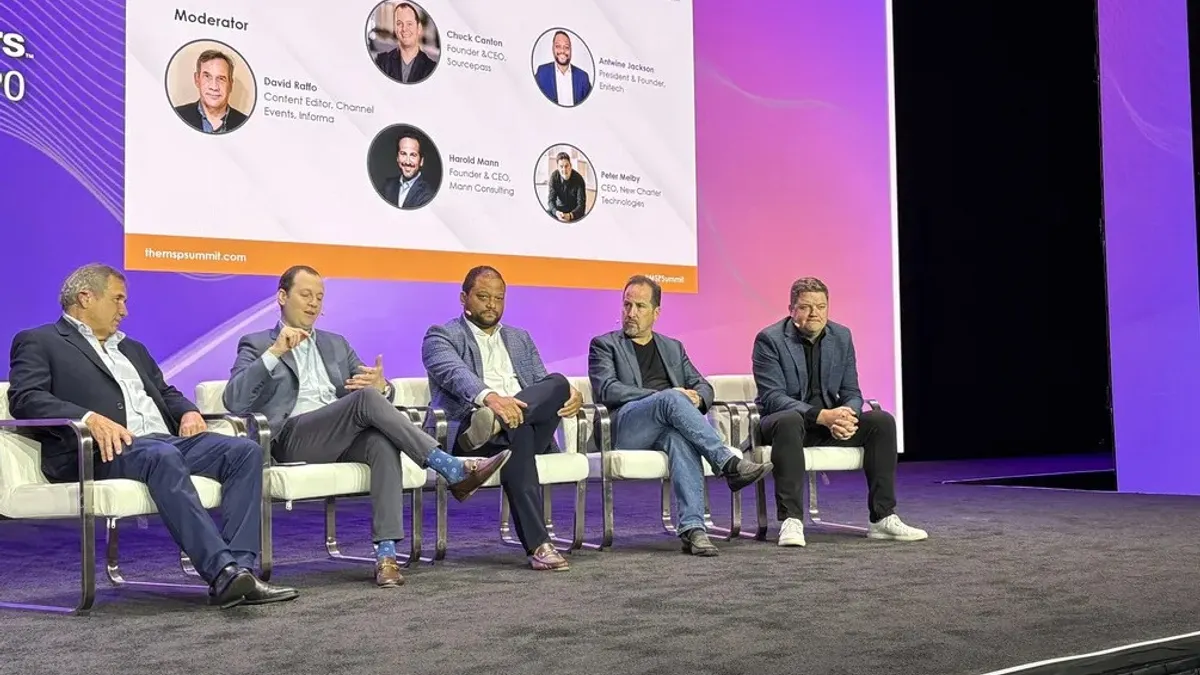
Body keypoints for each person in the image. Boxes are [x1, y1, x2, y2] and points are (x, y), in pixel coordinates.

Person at [6, 263, 296, 608]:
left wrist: (187, 410)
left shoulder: (132, 349)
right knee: (163, 456)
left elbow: (165, 391)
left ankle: (243, 570)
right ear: (85, 297)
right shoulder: (41, 341)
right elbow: (25, 398)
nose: (124, 311)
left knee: (245, 451)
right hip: (98, 451)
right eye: (117, 300)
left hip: (162, 442)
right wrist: (87, 417)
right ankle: (222, 573)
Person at [223, 265, 509, 587]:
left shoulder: (335, 344)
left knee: (380, 441)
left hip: (337, 435)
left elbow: (367, 390)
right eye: (306, 295)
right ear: (281, 296)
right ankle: (450, 467)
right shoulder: (257, 342)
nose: (314, 304)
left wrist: (382, 386)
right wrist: (275, 353)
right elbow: (234, 400)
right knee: (367, 403)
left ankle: (386, 556)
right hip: (291, 438)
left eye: (319, 297)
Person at [588, 276, 773, 556]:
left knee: (679, 438)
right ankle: (727, 463)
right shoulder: (605, 345)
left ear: (656, 312)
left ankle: (693, 530)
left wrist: (698, 397)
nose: (631, 313)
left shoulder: (672, 347)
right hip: (624, 426)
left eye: (640, 306)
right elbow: (608, 389)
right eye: (627, 305)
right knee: (671, 398)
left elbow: (703, 386)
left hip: (665, 427)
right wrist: (662, 397)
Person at [422, 266, 583, 571]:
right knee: (517, 432)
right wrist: (491, 399)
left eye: (498, 298)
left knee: (559, 383)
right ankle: (539, 545)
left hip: (522, 425)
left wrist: (571, 395)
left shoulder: (520, 338)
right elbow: (455, 375)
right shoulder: (441, 336)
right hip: (471, 436)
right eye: (483, 297)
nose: (492, 304)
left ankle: (501, 421)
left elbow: (540, 382)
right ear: (463, 298)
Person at [751, 277, 928, 547]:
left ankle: (882, 518)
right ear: (791, 309)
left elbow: (852, 392)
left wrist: (846, 415)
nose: (815, 314)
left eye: (821, 306)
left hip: (827, 423)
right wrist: (822, 416)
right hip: (782, 426)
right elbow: (773, 398)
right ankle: (792, 520)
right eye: (807, 307)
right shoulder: (769, 339)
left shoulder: (841, 336)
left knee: (881, 421)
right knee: (788, 420)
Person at [173, 49, 249, 134]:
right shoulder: (176, 116)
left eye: (221, 79)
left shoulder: (247, 124)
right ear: (197, 79)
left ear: (230, 85)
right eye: (207, 76)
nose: (214, 87)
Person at [373, 2, 438, 84]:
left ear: (419, 28)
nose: (404, 29)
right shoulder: (382, 61)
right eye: (399, 24)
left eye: (409, 24)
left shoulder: (430, 68)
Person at [534, 30, 593, 106]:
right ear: (553, 49)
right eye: (558, 46)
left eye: (566, 47)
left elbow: (591, 107)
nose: (562, 50)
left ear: (571, 50)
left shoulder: (583, 77)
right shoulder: (542, 73)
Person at [382, 135, 436, 209]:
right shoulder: (387, 186)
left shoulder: (428, 195)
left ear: (421, 161)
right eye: (403, 154)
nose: (407, 161)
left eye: (413, 155)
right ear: (397, 158)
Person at [545, 152, 587, 222]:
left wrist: (570, 215)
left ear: (570, 165)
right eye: (561, 166)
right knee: (547, 214)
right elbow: (551, 200)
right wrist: (556, 212)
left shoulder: (579, 179)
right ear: (558, 168)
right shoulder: (554, 177)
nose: (564, 170)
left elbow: (581, 206)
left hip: (573, 211)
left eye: (566, 166)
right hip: (559, 210)